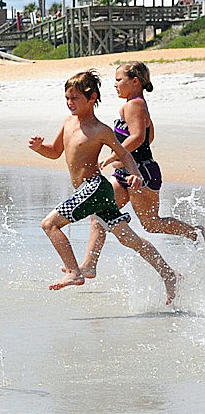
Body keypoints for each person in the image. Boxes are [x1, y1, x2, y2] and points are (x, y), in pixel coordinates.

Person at [28, 70, 177, 303]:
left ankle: (74, 272)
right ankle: (169, 275)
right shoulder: (68, 123)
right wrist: (39, 148)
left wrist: (136, 174)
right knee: (130, 240)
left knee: (49, 224)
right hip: (92, 192)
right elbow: (55, 152)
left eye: (75, 98)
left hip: (95, 188)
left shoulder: (100, 130)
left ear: (92, 98)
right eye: (67, 98)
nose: (70, 103)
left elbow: (125, 154)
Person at [79, 62, 204, 277]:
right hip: (126, 172)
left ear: (134, 81)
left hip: (142, 173)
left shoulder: (134, 105)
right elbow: (149, 136)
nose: (115, 84)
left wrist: (114, 156)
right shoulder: (137, 104)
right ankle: (89, 265)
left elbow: (138, 137)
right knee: (99, 214)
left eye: (119, 80)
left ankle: (197, 233)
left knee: (151, 224)